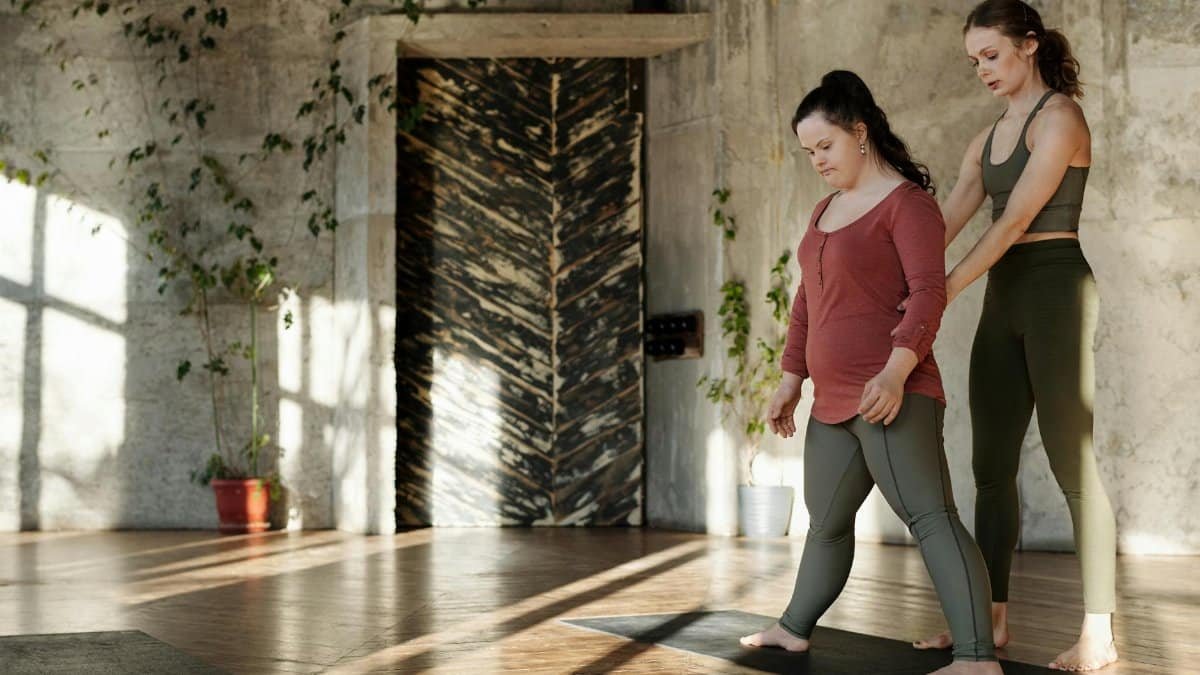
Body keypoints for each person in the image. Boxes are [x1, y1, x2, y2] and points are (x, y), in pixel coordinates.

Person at [739, 70, 1001, 675]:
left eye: (824, 147)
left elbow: (929, 293)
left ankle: (977, 657)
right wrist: (790, 378)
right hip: (831, 401)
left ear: (860, 134)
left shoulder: (908, 205)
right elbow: (809, 299)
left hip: (893, 395)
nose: (817, 161)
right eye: (808, 153)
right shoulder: (824, 210)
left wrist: (895, 371)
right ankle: (793, 628)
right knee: (826, 524)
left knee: (931, 518)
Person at [910, 2, 1118, 671]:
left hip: (1056, 289)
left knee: (1073, 468)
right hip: (1004, 299)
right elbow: (944, 223)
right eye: (974, 61)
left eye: (991, 55)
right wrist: (902, 279)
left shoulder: (1060, 118)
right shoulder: (987, 137)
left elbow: (1011, 225)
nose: (982, 71)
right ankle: (989, 619)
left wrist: (935, 295)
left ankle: (1100, 634)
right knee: (989, 469)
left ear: (1029, 45)